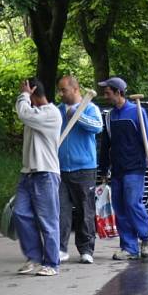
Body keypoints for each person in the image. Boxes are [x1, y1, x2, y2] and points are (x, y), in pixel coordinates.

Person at [97, 76, 148, 260]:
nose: (105, 96)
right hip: (117, 170)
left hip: (135, 169)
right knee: (120, 208)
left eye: (108, 93)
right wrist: (104, 170)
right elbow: (106, 145)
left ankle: (147, 237)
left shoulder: (136, 112)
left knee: (132, 204)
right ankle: (129, 248)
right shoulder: (109, 116)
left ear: (118, 92)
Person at [13, 78, 63, 276]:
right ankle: (34, 257)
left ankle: (52, 263)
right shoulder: (35, 114)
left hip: (46, 173)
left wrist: (24, 95)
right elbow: (26, 114)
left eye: (26, 92)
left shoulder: (51, 114)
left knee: (48, 220)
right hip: (28, 173)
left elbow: (23, 113)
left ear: (33, 92)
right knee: (20, 213)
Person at [56, 75, 102, 264]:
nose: (60, 93)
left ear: (75, 89)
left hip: (84, 168)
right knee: (61, 210)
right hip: (60, 168)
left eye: (63, 90)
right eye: (59, 90)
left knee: (85, 210)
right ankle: (59, 248)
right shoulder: (57, 111)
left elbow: (98, 127)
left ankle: (86, 249)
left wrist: (78, 116)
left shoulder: (90, 108)